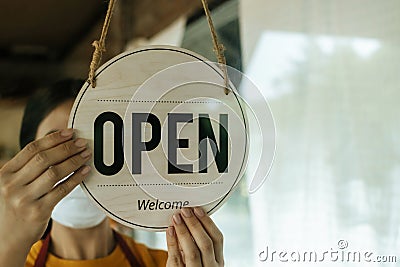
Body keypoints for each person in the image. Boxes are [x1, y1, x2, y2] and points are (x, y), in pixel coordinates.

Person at [0, 79, 224, 267]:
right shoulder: (11, 259)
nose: (80, 166)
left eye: (100, 145)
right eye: (60, 151)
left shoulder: (172, 263)